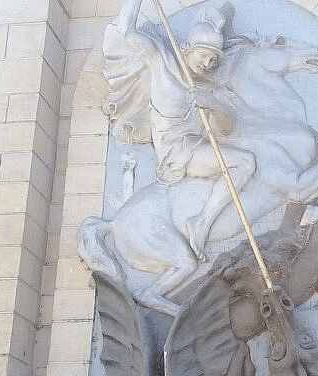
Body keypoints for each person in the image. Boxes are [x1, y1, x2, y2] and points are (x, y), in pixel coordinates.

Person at [103, 0, 255, 261]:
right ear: (186, 48)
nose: (207, 64)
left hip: (194, 147)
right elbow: (126, 31)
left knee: (246, 161)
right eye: (202, 55)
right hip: (175, 153)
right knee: (244, 163)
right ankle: (201, 223)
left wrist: (214, 105)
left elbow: (227, 129)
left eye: (212, 60)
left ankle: (202, 222)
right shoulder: (160, 63)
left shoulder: (206, 88)